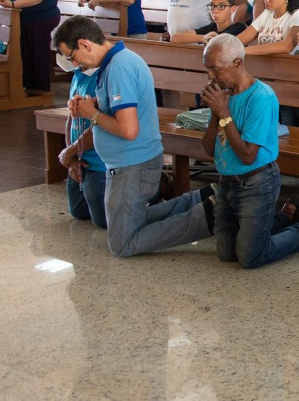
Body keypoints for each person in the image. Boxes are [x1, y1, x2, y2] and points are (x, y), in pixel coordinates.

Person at [53, 17, 214, 257]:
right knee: (124, 223)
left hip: (132, 164)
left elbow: (129, 130)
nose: (74, 64)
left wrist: (92, 113)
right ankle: (201, 200)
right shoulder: (112, 63)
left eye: (71, 56)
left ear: (85, 44)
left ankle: (211, 216)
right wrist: (92, 104)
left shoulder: (119, 67)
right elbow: (117, 107)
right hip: (126, 163)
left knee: (122, 243)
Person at [201, 34, 299, 267]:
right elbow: (208, 150)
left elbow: (247, 156)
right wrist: (216, 112)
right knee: (226, 253)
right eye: (207, 69)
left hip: (257, 182)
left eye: (215, 69)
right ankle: (285, 216)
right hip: (227, 181)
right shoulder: (223, 96)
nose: (210, 76)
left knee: (251, 256)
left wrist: (224, 113)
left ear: (237, 63)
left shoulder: (261, 97)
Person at [55, 54, 107, 229]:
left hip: (99, 160)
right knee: (79, 211)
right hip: (81, 156)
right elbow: (71, 119)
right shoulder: (78, 75)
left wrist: (69, 153)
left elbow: (99, 125)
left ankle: (153, 190)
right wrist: (73, 158)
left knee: (103, 221)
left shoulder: (101, 78)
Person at [169, 0, 249, 44]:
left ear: (232, 9)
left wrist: (206, 38)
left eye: (222, 6)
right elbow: (175, 38)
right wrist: (203, 38)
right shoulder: (211, 27)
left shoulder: (239, 27)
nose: (215, 10)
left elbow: (218, 42)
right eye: (212, 6)